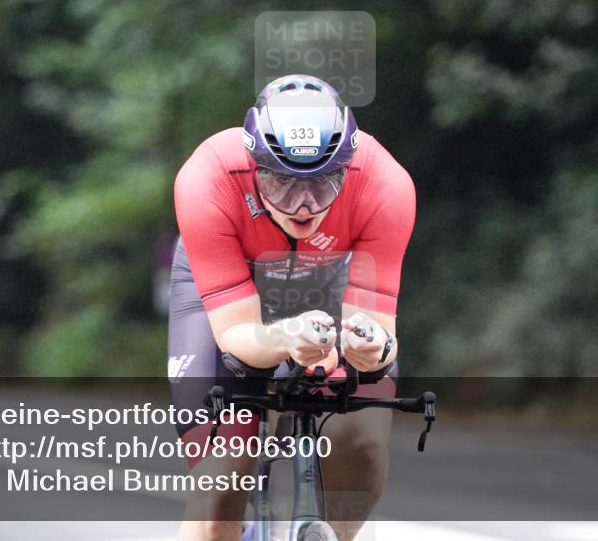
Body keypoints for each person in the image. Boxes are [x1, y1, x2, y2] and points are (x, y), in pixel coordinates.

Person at [169, 75, 415, 541]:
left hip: (330, 286)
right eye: (281, 182)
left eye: (322, 184)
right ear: (253, 165)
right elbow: (236, 336)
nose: (303, 206)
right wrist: (286, 337)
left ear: (347, 168)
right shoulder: (208, 178)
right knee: (219, 489)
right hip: (229, 302)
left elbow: (380, 334)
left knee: (362, 447)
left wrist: (371, 349)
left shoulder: (385, 184)